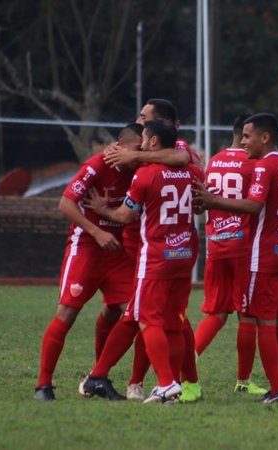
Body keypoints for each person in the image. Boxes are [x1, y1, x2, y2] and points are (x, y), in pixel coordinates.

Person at [194, 113, 278, 404]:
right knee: (277, 321)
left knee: (259, 319)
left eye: (248, 136)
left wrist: (213, 201)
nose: (244, 142)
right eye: (241, 136)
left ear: (264, 137)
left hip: (259, 254)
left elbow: (255, 206)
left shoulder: (259, 165)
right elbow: (276, 204)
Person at [80, 100, 203, 403]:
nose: (139, 129)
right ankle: (98, 375)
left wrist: (102, 209)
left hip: (156, 254)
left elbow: (124, 216)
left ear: (155, 139)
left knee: (149, 319)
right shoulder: (190, 170)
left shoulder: (146, 173)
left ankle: (166, 383)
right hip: (183, 252)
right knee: (138, 316)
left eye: (144, 126)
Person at [34, 124, 143, 401]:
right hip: (86, 247)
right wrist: (97, 230)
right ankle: (43, 385)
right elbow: (65, 203)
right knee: (67, 313)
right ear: (119, 146)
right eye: (138, 149)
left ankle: (98, 376)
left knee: (135, 314)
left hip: (115, 253)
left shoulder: (141, 170)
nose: (140, 155)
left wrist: (107, 211)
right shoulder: (97, 165)